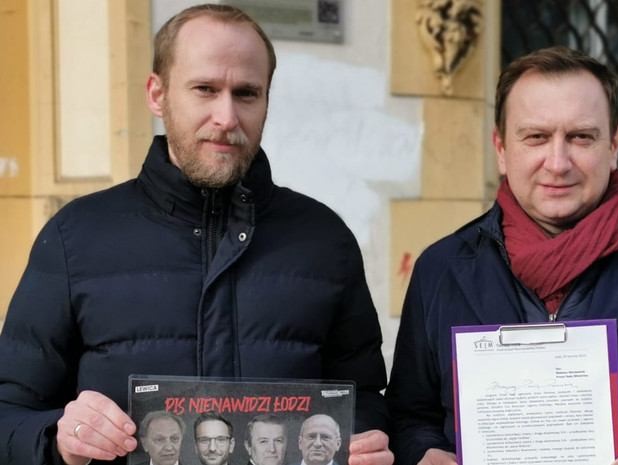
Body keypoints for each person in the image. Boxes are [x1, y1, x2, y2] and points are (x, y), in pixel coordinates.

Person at [0, 4, 392, 465]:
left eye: (246, 93)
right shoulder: (75, 237)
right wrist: (59, 439)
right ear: (157, 94)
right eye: (205, 89)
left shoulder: (325, 240)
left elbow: (364, 398)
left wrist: (365, 442)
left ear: (267, 101)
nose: (226, 116)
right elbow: (9, 414)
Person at [385, 45, 618, 465]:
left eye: (581, 137)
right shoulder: (440, 270)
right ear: (501, 148)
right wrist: (423, 452)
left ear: (614, 145)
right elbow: (408, 417)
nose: (558, 162)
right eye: (536, 136)